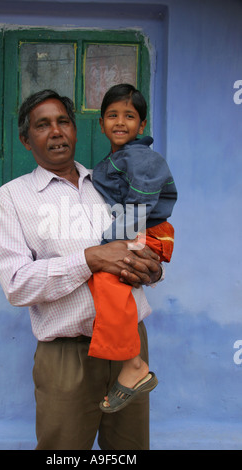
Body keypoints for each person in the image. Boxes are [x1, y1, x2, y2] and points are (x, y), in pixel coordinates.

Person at [0, 89, 163, 450]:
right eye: (42, 125)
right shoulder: (11, 199)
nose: (56, 131)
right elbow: (17, 285)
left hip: (130, 348)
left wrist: (151, 269)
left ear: (76, 130)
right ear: (26, 140)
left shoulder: (111, 182)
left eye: (63, 122)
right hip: (66, 358)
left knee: (131, 451)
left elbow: (141, 245)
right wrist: (90, 259)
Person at [87, 84, 177, 413]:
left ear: (142, 125)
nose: (120, 121)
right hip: (137, 228)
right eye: (112, 115)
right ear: (100, 124)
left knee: (108, 280)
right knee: (116, 282)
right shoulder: (118, 158)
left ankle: (134, 364)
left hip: (146, 230)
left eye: (130, 116)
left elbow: (139, 203)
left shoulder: (142, 157)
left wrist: (114, 243)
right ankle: (131, 361)